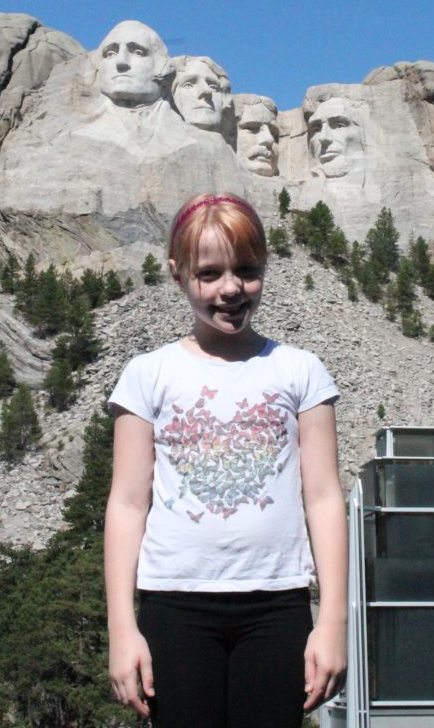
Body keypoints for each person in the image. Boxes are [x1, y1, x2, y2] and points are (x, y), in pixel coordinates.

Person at [105, 193, 348, 728]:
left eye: (246, 269)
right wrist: (123, 629)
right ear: (177, 274)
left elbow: (325, 496)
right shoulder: (147, 374)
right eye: (209, 273)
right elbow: (126, 503)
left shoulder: (301, 371)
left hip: (278, 602)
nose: (231, 288)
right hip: (175, 604)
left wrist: (332, 620)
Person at [97, 19, 174, 107]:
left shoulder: (178, 120)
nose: (121, 62)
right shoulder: (82, 119)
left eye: (138, 52)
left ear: (161, 65)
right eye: (110, 54)